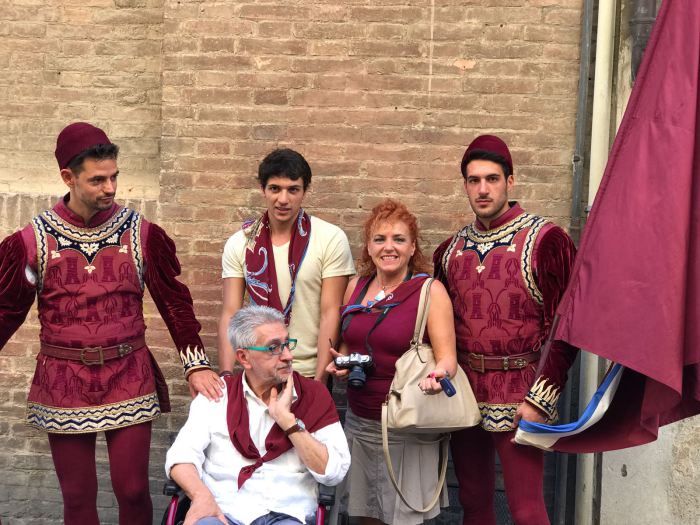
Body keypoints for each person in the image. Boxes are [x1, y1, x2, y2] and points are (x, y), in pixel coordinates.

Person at [0, 122, 223, 525]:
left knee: (134, 491)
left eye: (114, 177)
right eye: (98, 180)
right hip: (63, 379)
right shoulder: (32, 241)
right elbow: (5, 311)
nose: (111, 188)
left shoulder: (142, 233)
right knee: (78, 498)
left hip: (127, 372)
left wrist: (196, 364)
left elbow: (174, 302)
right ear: (68, 177)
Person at [433, 135, 578, 525]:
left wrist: (540, 399)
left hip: (521, 390)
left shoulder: (547, 241)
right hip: (463, 392)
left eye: (492, 179)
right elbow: (440, 327)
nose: (483, 189)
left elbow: (564, 328)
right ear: (465, 184)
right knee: (473, 501)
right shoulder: (448, 252)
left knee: (526, 509)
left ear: (510, 182)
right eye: (474, 180)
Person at [326, 198, 458, 525]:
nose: (389, 247)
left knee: (403, 518)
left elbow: (447, 358)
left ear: (412, 247)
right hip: (359, 421)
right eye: (379, 239)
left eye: (399, 239)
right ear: (369, 247)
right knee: (364, 516)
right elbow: (348, 342)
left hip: (405, 426)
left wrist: (438, 376)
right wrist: (342, 364)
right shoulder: (355, 288)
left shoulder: (429, 291)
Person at [166, 305, 351, 525]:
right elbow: (181, 456)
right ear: (244, 357)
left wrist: (289, 423)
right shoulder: (216, 395)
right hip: (224, 509)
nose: (288, 356)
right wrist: (200, 496)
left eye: (287, 344)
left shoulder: (313, 395)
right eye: (274, 348)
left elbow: (334, 472)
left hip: (289, 512)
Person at [219, 149, 355, 381]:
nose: (283, 199)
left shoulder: (330, 238)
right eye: (275, 188)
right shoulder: (241, 242)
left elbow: (330, 313)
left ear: (304, 191)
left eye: (293, 189)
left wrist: (320, 382)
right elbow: (231, 313)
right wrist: (226, 375)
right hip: (259, 370)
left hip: (308, 373)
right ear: (262, 189)